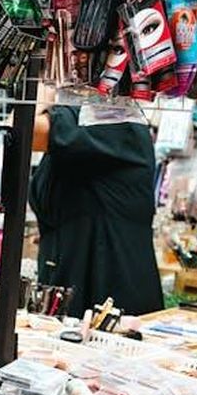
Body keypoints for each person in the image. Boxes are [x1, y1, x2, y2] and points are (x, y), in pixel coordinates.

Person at [29, 99, 163, 318]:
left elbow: (24, 130)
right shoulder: (80, 128)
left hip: (108, 296)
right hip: (68, 287)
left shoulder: (112, 120)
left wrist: (43, 93)